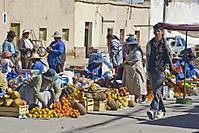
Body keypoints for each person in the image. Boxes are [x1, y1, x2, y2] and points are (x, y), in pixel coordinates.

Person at [146, 24, 172, 120]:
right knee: (155, 91)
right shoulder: (150, 43)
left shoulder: (165, 44)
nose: (156, 33)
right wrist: (147, 70)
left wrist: (169, 69)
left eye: (158, 31)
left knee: (157, 90)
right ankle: (162, 110)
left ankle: (153, 109)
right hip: (152, 70)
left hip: (161, 70)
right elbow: (148, 57)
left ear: (162, 32)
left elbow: (169, 56)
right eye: (155, 31)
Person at [123, 36, 147, 104]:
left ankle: (144, 97)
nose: (128, 47)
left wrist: (128, 62)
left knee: (139, 83)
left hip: (137, 70)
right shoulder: (132, 51)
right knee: (134, 85)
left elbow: (136, 59)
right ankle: (136, 98)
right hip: (132, 70)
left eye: (129, 45)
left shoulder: (137, 52)